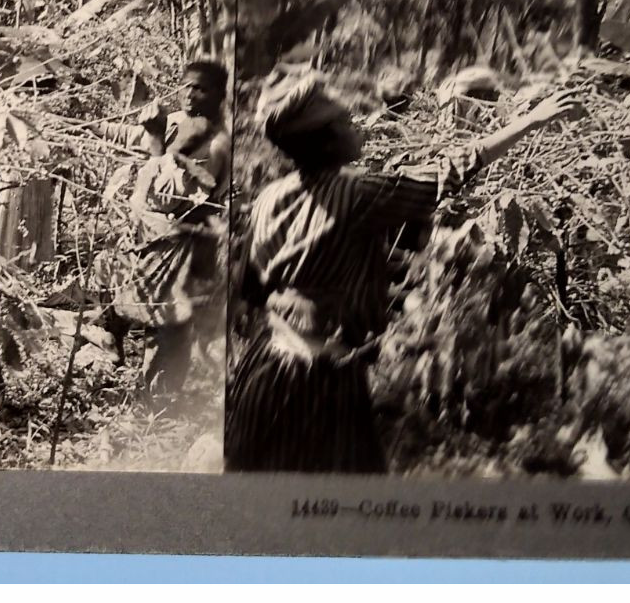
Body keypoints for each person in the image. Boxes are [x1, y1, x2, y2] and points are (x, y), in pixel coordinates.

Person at [225, 71, 580, 473]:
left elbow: (251, 288)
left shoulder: (268, 198)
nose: (356, 125)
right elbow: (448, 173)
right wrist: (531, 121)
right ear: (326, 141)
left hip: (265, 368)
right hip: (318, 381)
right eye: (346, 121)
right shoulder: (357, 195)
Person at [103, 60, 231, 398]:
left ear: (219, 95)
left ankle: (157, 402)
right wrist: (89, 128)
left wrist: (158, 139)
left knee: (167, 326)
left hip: (183, 246)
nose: (189, 94)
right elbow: (136, 138)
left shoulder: (216, 145)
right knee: (120, 291)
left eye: (200, 88)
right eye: (186, 86)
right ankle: (118, 350)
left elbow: (168, 197)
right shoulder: (178, 121)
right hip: (150, 237)